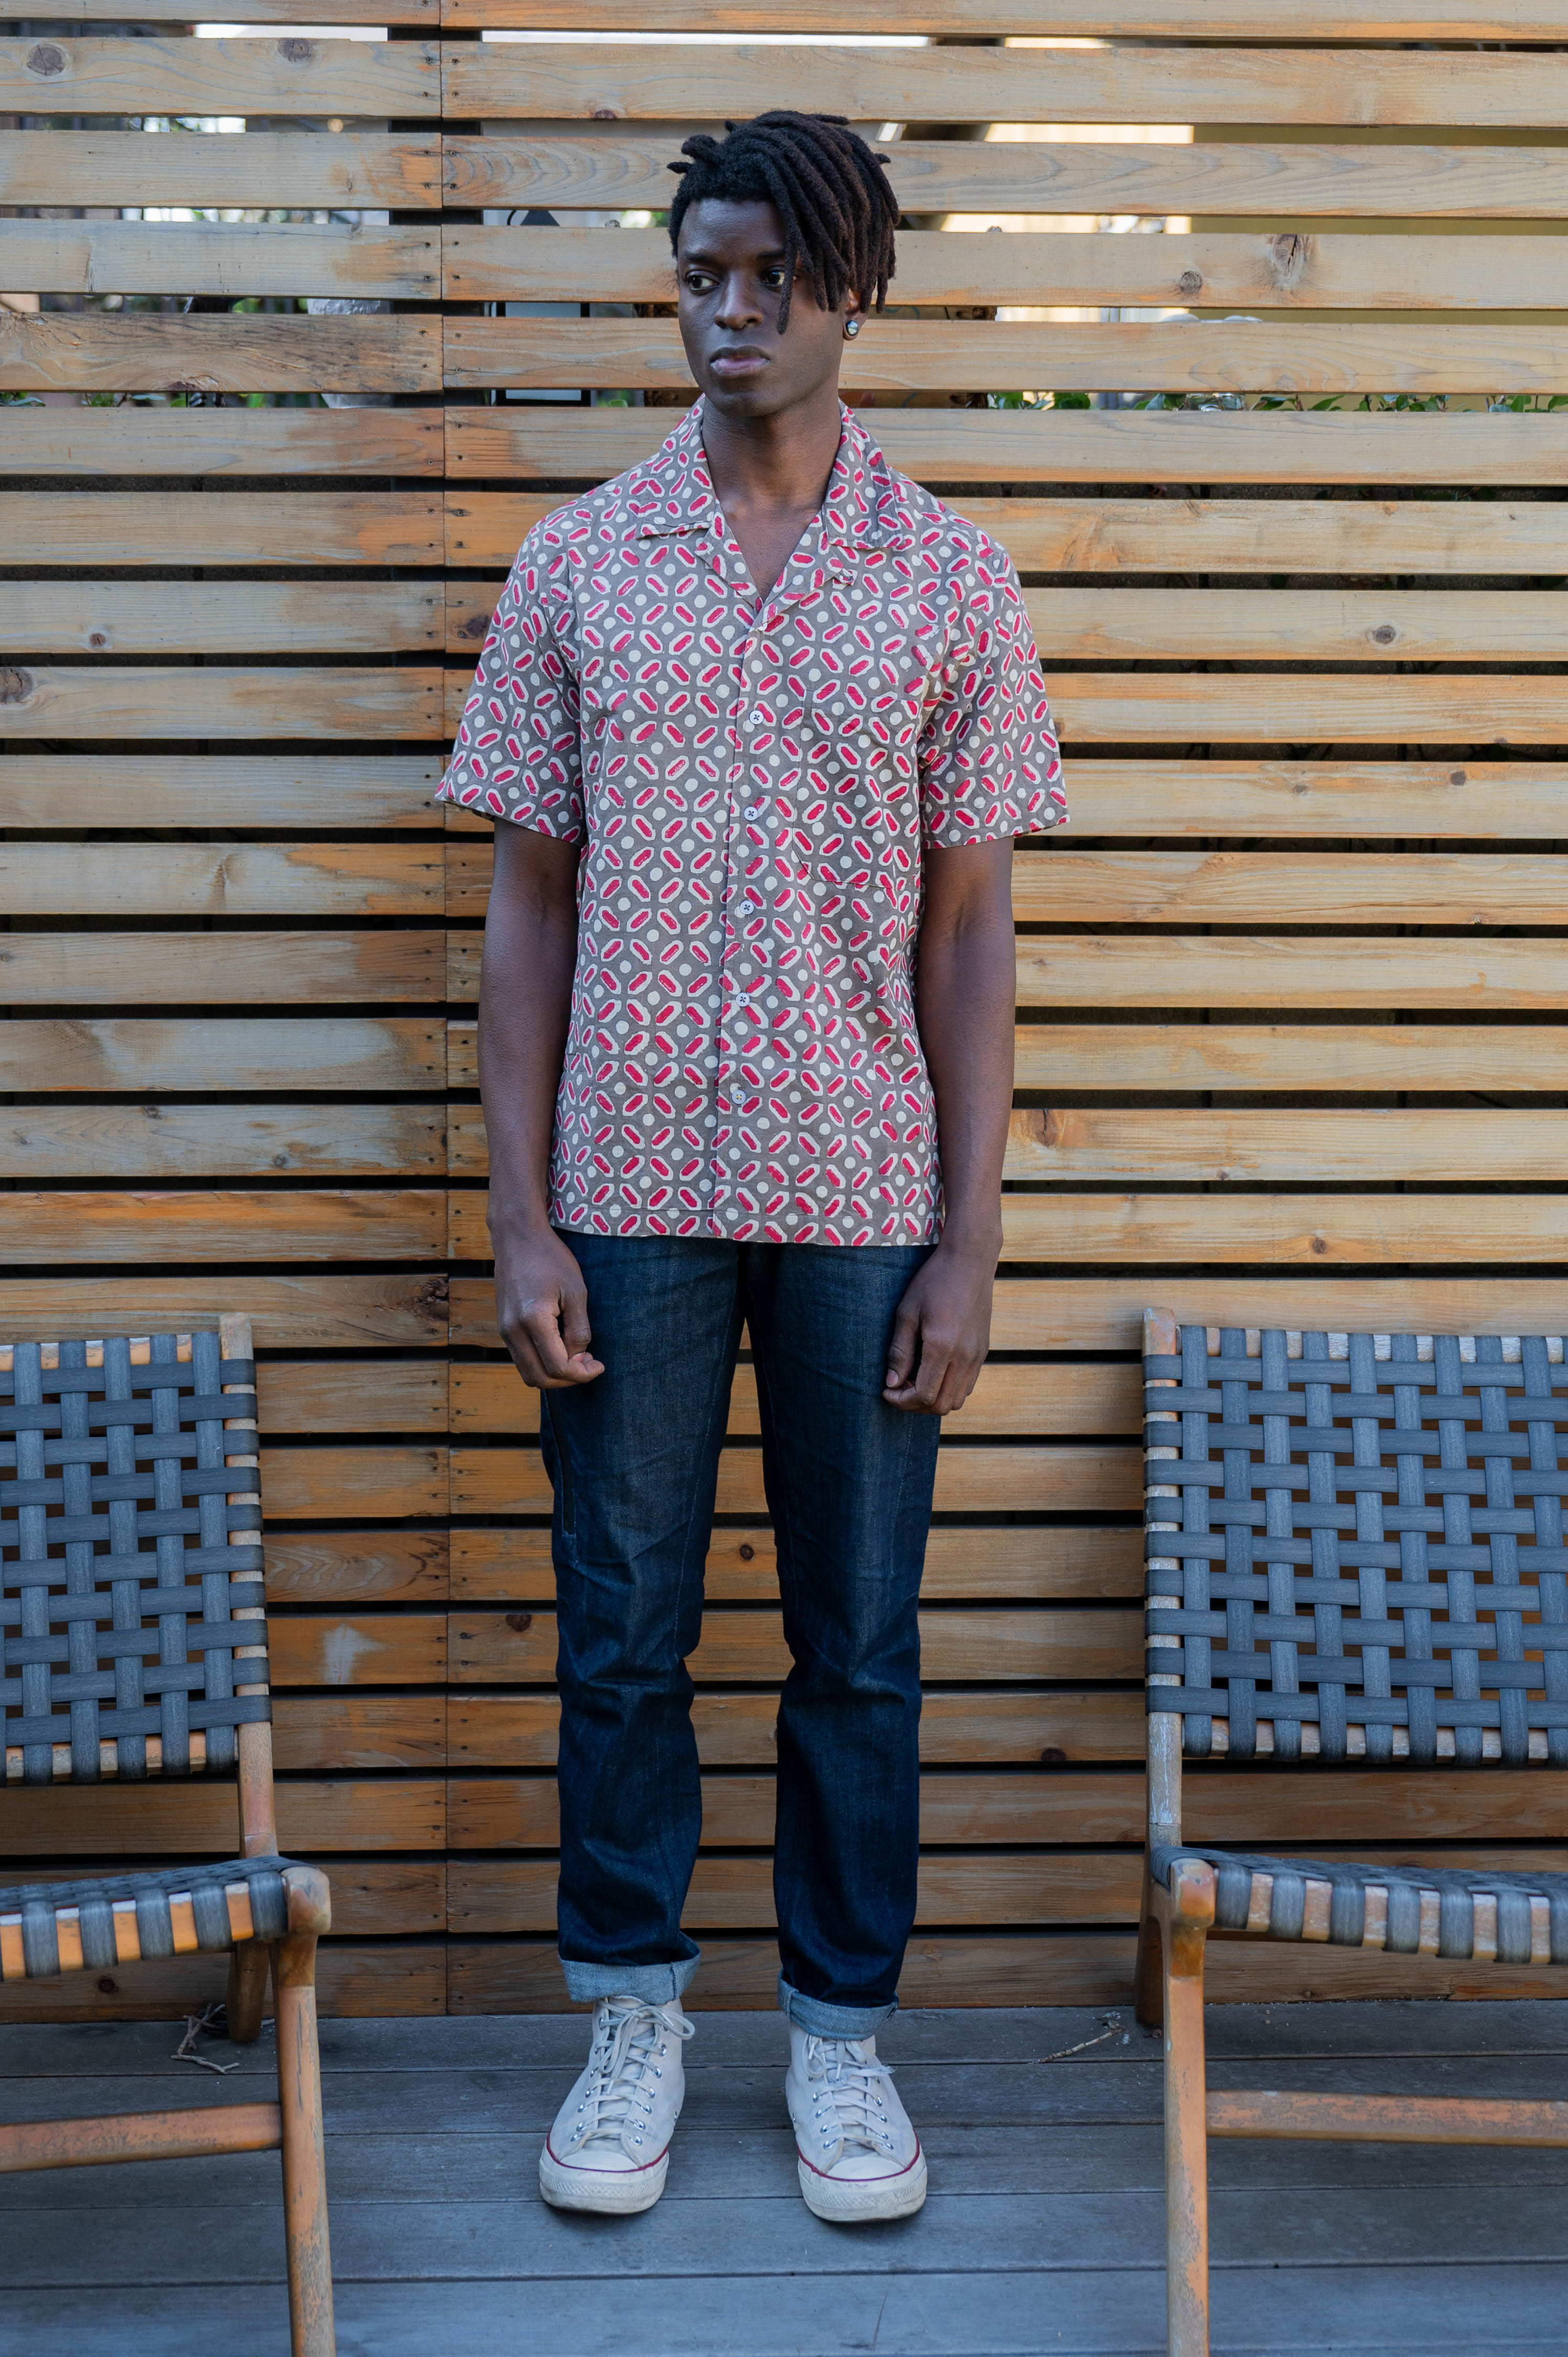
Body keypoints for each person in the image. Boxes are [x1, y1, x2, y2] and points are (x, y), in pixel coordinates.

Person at [438, 110, 1068, 2227]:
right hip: (619, 1187)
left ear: (845, 288)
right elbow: (527, 902)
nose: (727, 312)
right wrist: (519, 1206)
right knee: (619, 1630)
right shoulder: (577, 561)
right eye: (698, 275)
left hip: (860, 1183)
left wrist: (968, 1241)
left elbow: (971, 930)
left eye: (765, 279)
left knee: (855, 1641)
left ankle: (836, 2042)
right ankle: (629, 2017)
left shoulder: (949, 574)